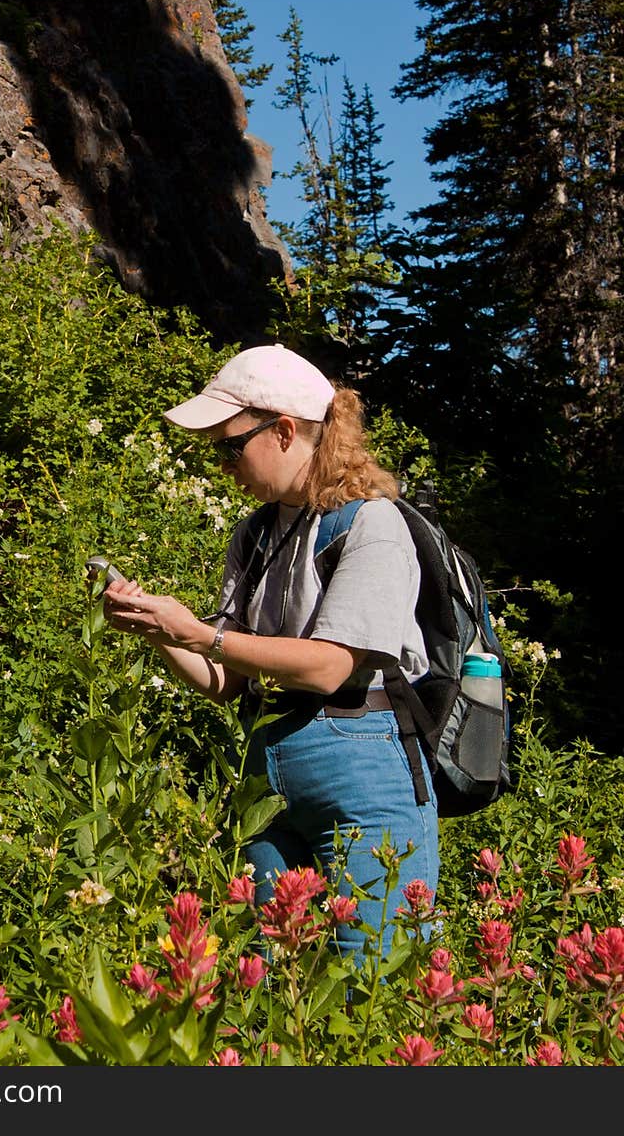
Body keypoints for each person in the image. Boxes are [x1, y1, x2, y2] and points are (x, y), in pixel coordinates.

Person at [103, 343, 439, 958]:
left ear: (284, 431)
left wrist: (201, 634)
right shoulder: (254, 533)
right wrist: (157, 629)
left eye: (231, 445)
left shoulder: (373, 524)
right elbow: (228, 680)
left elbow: (331, 665)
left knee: (374, 971)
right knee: (276, 973)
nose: (222, 465)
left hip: (362, 757)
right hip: (268, 764)